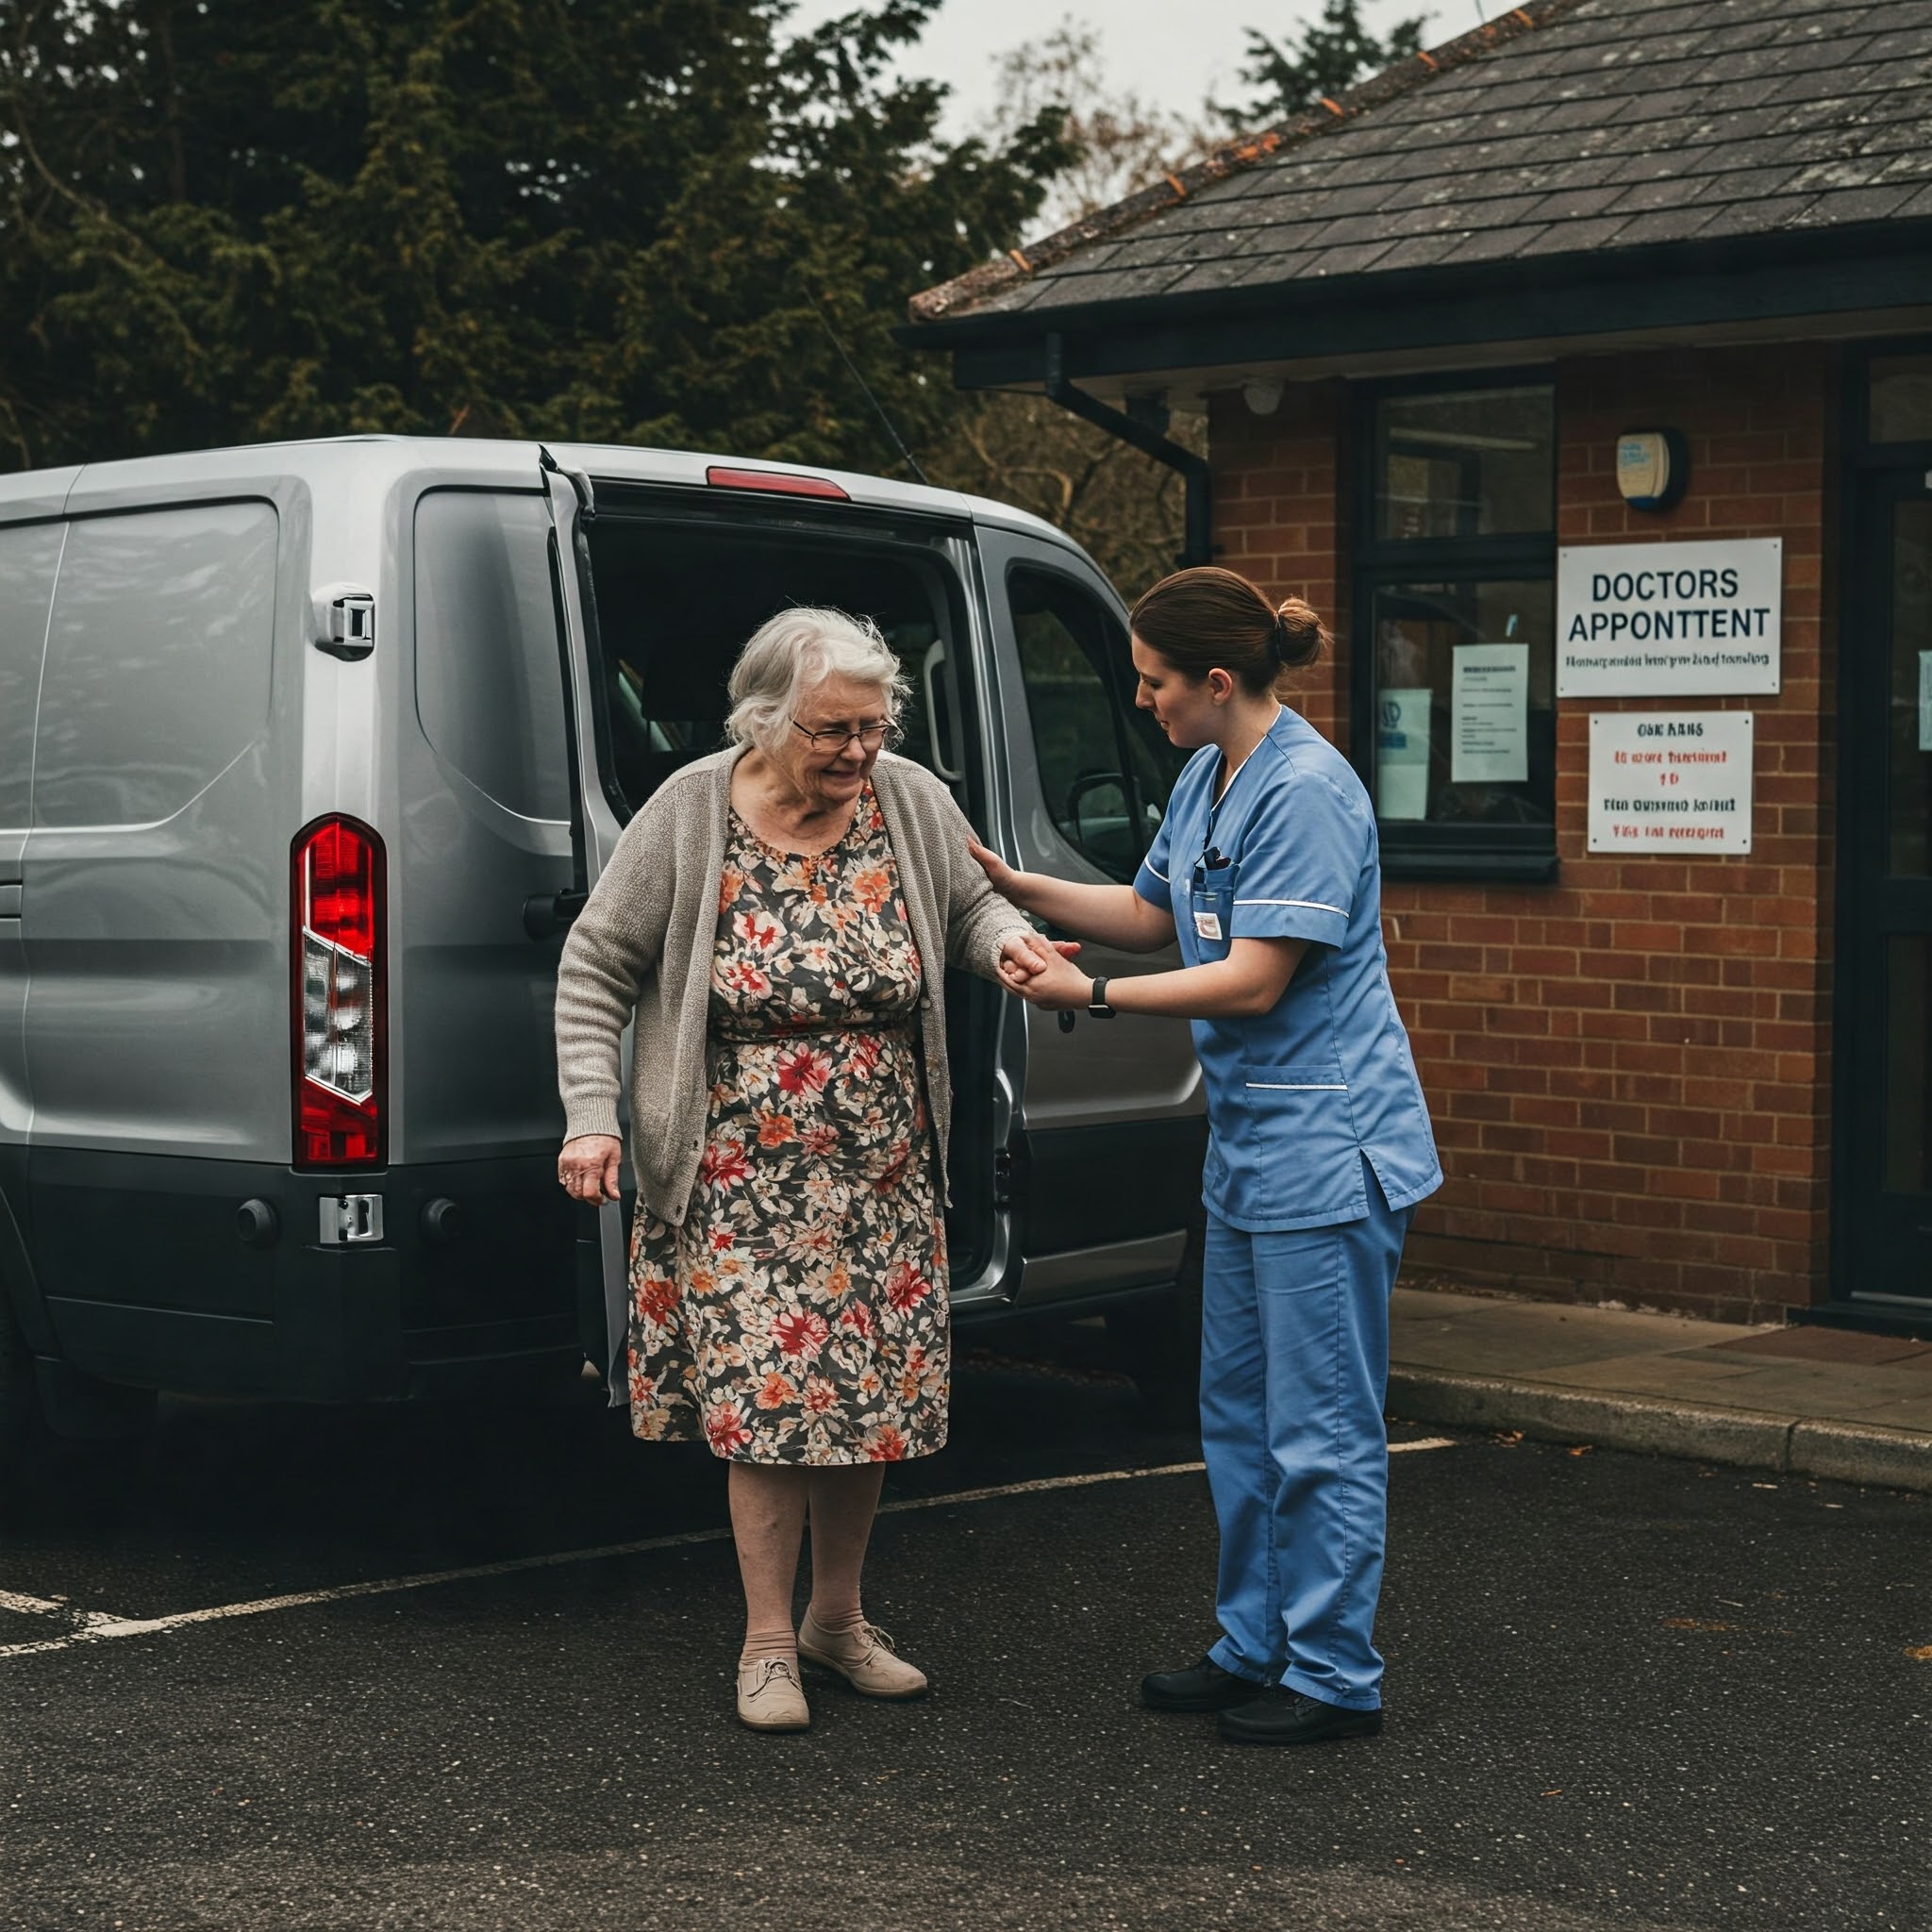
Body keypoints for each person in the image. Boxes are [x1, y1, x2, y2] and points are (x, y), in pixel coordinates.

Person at [972, 566, 1441, 1747]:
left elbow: (1250, 977)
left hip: (1327, 1150)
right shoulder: (1204, 771)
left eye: (1153, 682)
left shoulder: (1307, 791)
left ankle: (1333, 1676)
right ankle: (1253, 1644)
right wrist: (1020, 888)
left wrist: (1091, 994)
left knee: (1319, 1427)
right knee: (1232, 1409)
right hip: (1249, 1151)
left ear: (1215, 682)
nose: (1142, 701)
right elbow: (1154, 910)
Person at [554, 608, 1041, 1733]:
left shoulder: (908, 797)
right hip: (737, 1174)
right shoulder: (688, 808)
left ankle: (837, 1620)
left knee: (864, 1405)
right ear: (765, 717)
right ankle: (766, 1642)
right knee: (769, 1408)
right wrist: (593, 1115)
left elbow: (967, 902)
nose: (856, 752)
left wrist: (1003, 939)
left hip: (881, 1171)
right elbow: (596, 963)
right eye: (833, 730)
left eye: (871, 728)